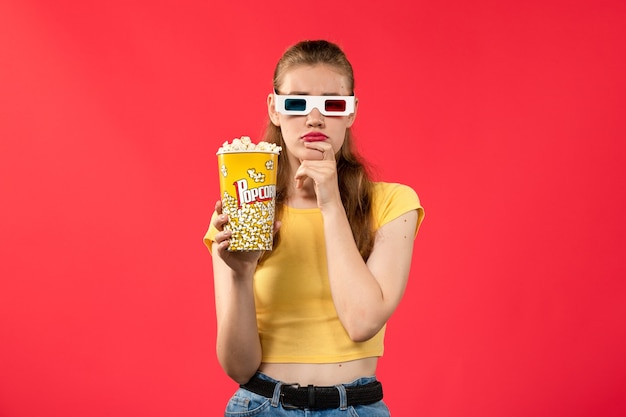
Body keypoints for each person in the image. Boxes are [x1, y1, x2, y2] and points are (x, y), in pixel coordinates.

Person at [204, 39, 425, 416]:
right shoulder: (246, 207)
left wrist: (330, 201)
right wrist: (240, 275)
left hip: (354, 409)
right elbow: (238, 368)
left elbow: (361, 322)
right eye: (296, 102)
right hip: (260, 406)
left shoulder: (392, 203)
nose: (314, 118)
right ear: (274, 108)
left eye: (333, 104)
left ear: (352, 113)